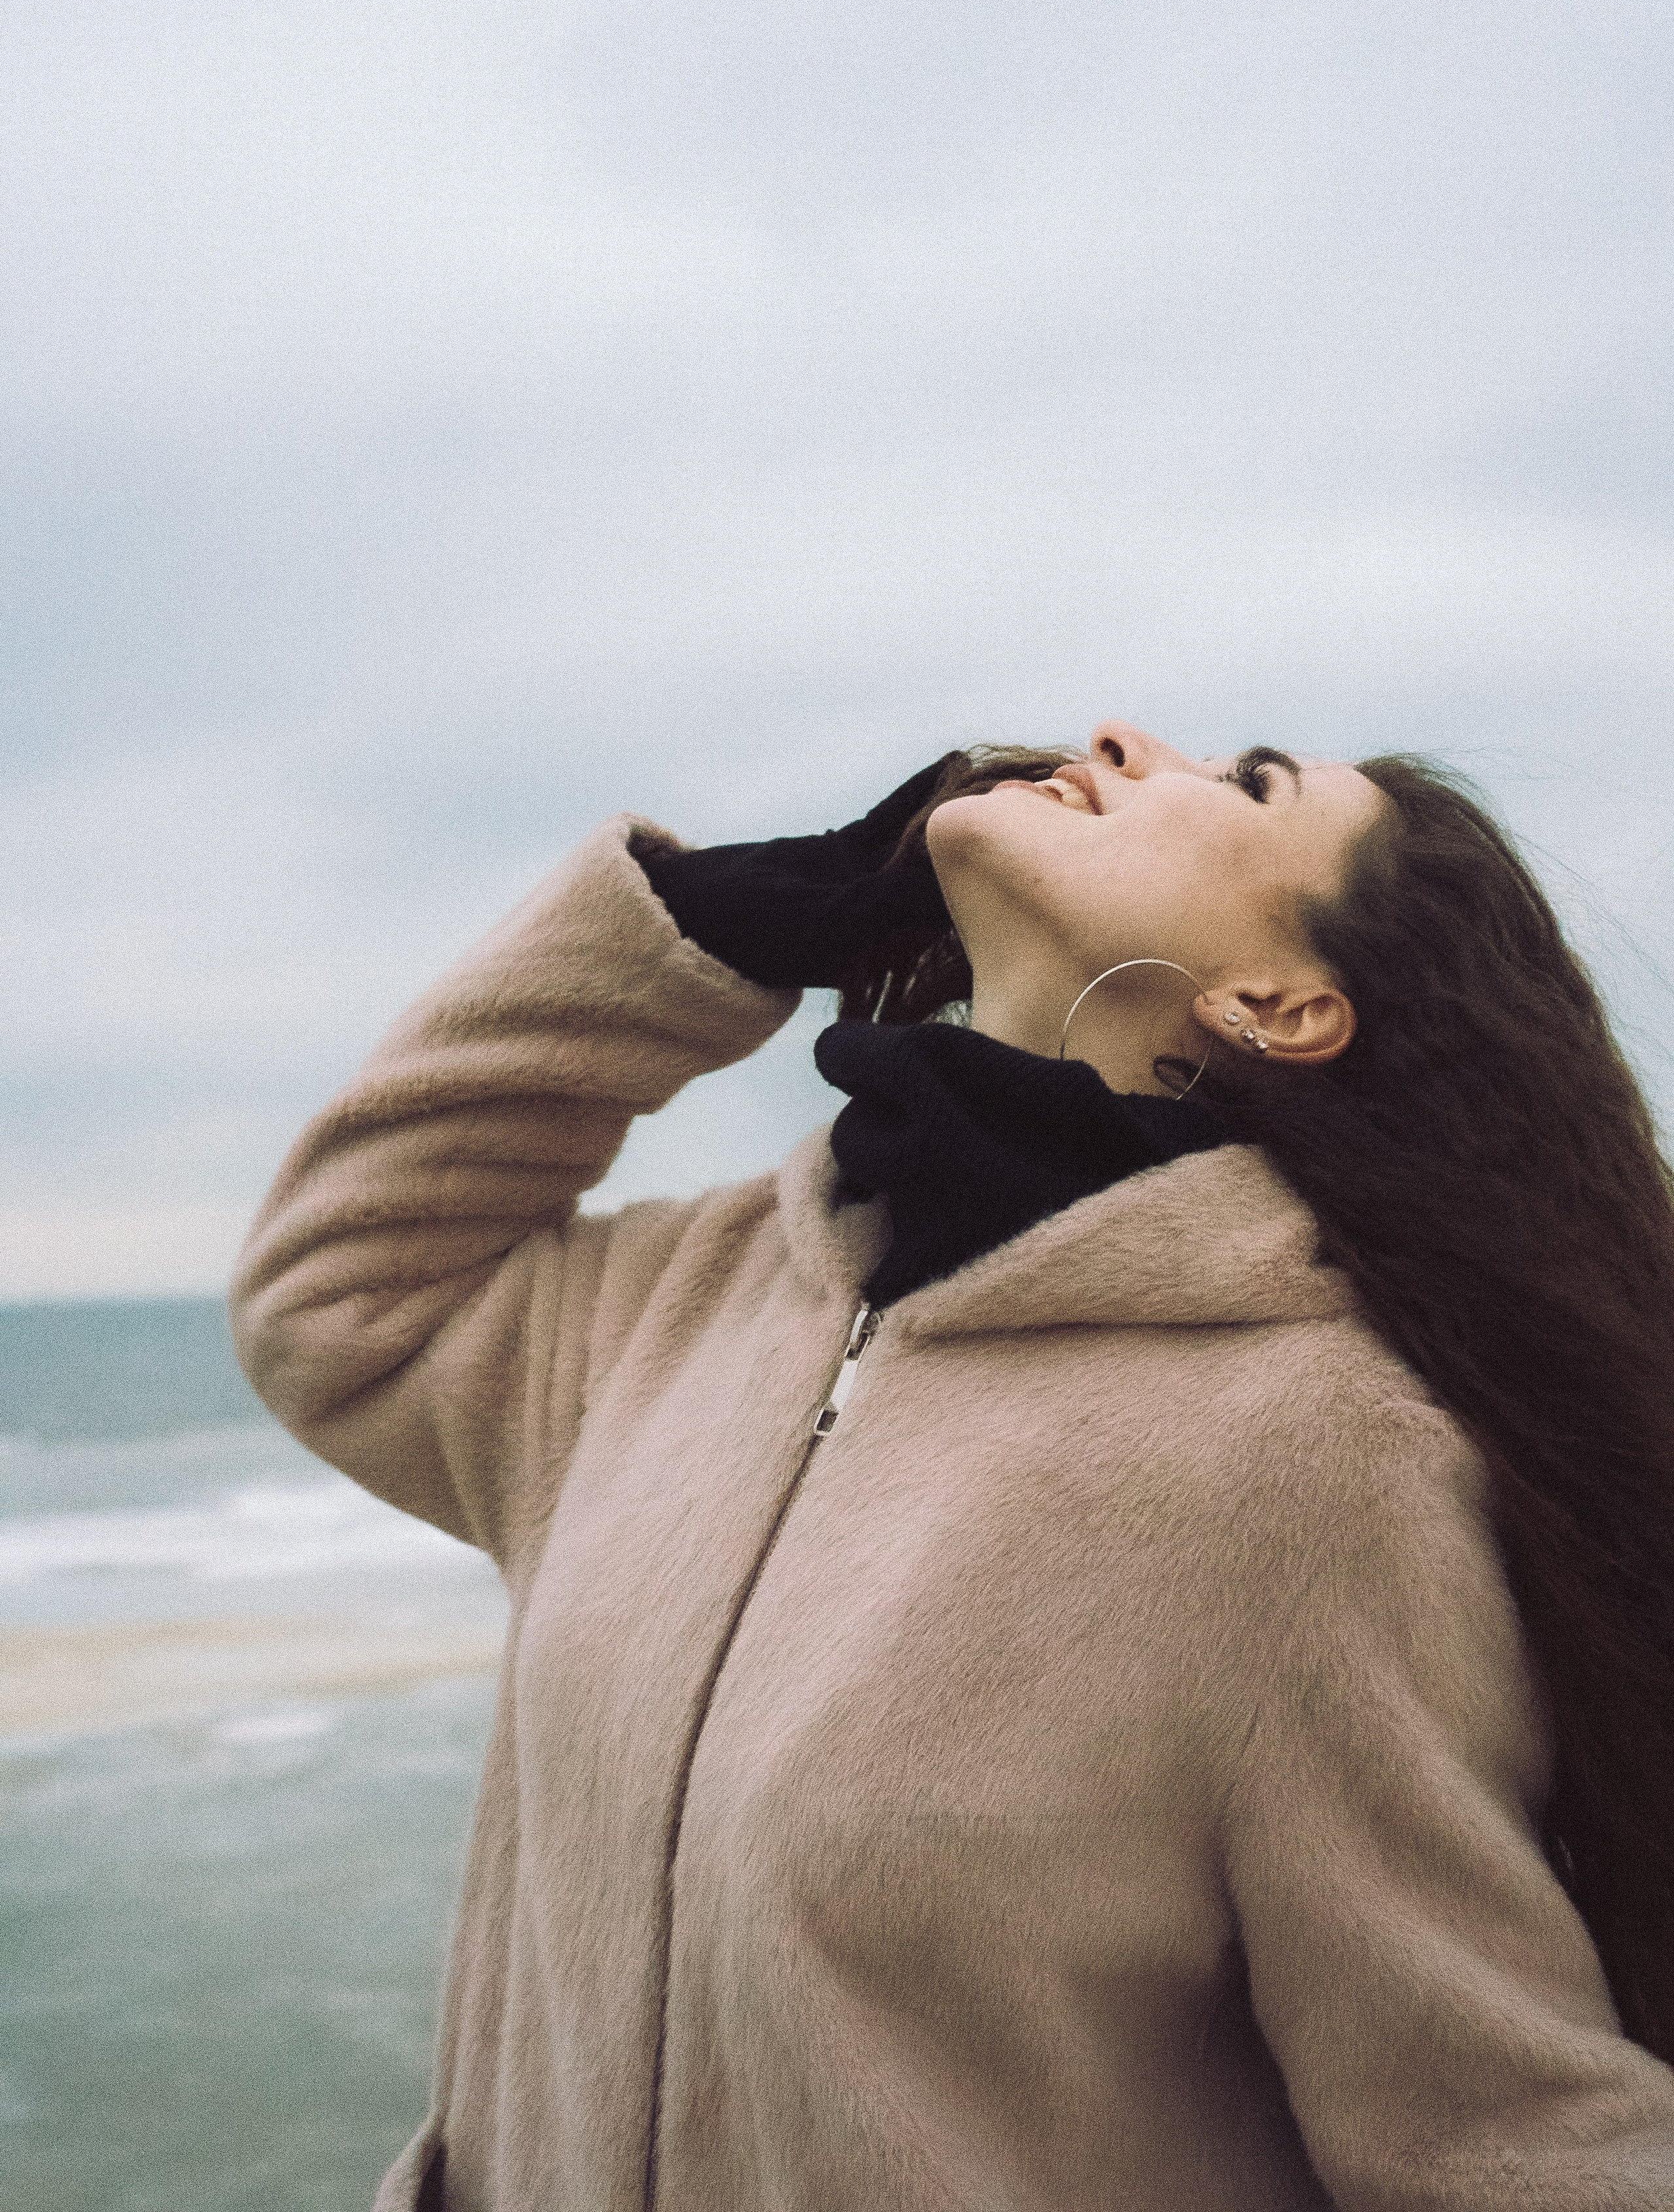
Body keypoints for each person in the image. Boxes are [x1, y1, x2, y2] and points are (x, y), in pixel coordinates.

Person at [230, 719, 1674, 2211]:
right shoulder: (702, 1296)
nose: (1122, 737)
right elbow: (337, 1307)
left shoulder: (1319, 1461)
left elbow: (1501, 2133)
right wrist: (702, 929)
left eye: (1249, 786)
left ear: (1278, 1005)